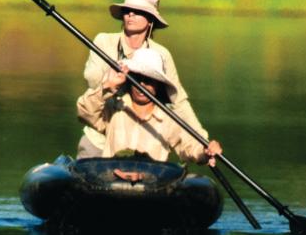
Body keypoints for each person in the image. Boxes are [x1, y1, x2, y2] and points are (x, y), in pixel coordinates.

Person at [77, 0, 204, 158]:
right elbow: (92, 81)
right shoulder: (104, 41)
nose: (130, 15)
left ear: (151, 20)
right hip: (100, 133)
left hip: (141, 137)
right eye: (127, 10)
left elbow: (179, 101)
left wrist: (203, 142)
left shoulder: (161, 55)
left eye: (138, 11)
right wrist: (114, 79)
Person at [76, 48, 222, 165]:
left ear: (159, 85)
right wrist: (108, 87)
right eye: (138, 79)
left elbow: (189, 146)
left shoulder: (168, 118)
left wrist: (205, 151)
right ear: (129, 80)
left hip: (151, 189)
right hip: (111, 184)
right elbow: (85, 112)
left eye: (149, 81)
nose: (142, 86)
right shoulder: (114, 107)